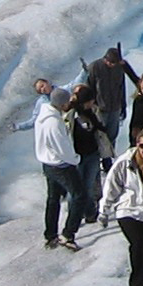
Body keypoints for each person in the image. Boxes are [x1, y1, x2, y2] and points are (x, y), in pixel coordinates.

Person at [100, 129, 143, 286]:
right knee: (138, 245)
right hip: (127, 210)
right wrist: (104, 210)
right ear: (137, 145)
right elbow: (112, 185)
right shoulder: (125, 163)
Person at [19, 77, 83, 249]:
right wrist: (76, 159)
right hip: (61, 165)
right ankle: (68, 234)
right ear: (61, 104)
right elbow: (62, 148)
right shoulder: (54, 122)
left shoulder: (43, 114)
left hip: (47, 164)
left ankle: (51, 234)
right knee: (79, 196)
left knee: (53, 199)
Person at [67, 82, 111, 222]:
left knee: (89, 185)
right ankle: (74, 215)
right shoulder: (71, 115)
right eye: (89, 102)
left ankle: (90, 213)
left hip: (92, 154)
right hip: (76, 157)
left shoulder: (93, 112)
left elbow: (100, 131)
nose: (92, 104)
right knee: (75, 190)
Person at [87, 44, 140, 144]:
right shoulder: (94, 67)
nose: (111, 65)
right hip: (100, 109)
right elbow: (89, 87)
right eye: (110, 62)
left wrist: (123, 105)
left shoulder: (119, 67)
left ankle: (110, 157)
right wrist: (92, 107)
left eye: (114, 63)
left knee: (112, 136)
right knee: (99, 137)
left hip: (115, 108)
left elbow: (121, 87)